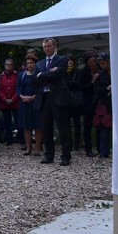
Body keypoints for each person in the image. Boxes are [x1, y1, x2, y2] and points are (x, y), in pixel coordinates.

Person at [34, 38, 72, 166]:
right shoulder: (39, 63)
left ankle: (66, 156)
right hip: (44, 98)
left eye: (49, 46)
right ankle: (48, 155)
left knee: (63, 128)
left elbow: (58, 74)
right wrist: (49, 73)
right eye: (44, 47)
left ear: (54, 47)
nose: (46, 49)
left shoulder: (61, 59)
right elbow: (36, 80)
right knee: (46, 128)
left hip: (58, 97)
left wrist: (43, 75)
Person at [17, 54, 42, 156]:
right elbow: (18, 88)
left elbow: (41, 88)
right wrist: (22, 96)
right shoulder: (22, 75)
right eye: (28, 63)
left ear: (35, 63)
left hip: (36, 102)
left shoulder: (39, 74)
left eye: (31, 63)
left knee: (38, 125)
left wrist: (33, 97)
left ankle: (37, 147)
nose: (30, 65)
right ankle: (28, 147)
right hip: (24, 103)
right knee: (26, 126)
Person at [78, 52, 99, 157]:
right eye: (91, 62)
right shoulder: (83, 72)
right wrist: (92, 81)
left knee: (100, 124)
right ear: (87, 63)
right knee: (87, 125)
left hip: (98, 99)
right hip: (87, 101)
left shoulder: (99, 69)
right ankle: (88, 148)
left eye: (94, 61)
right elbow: (81, 87)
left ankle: (101, 148)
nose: (93, 63)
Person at [91, 53, 112, 158]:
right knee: (104, 127)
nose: (102, 66)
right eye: (101, 64)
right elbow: (96, 90)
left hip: (115, 103)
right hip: (104, 104)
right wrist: (106, 89)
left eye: (104, 63)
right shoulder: (100, 75)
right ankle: (104, 151)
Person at [0, 58, 19, 146]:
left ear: (13, 66)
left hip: (15, 102)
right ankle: (9, 139)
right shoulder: (1, 76)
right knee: (7, 122)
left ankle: (20, 138)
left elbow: (19, 88)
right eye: (7, 64)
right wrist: (5, 99)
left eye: (10, 65)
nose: (8, 66)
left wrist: (13, 99)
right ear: (4, 66)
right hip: (4, 103)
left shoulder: (17, 76)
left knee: (18, 121)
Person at [65, 55, 84, 151]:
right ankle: (69, 144)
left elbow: (78, 84)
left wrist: (68, 83)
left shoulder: (78, 72)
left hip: (75, 101)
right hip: (66, 101)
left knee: (77, 124)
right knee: (67, 124)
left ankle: (76, 144)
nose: (70, 63)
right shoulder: (64, 72)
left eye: (71, 61)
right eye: (68, 61)